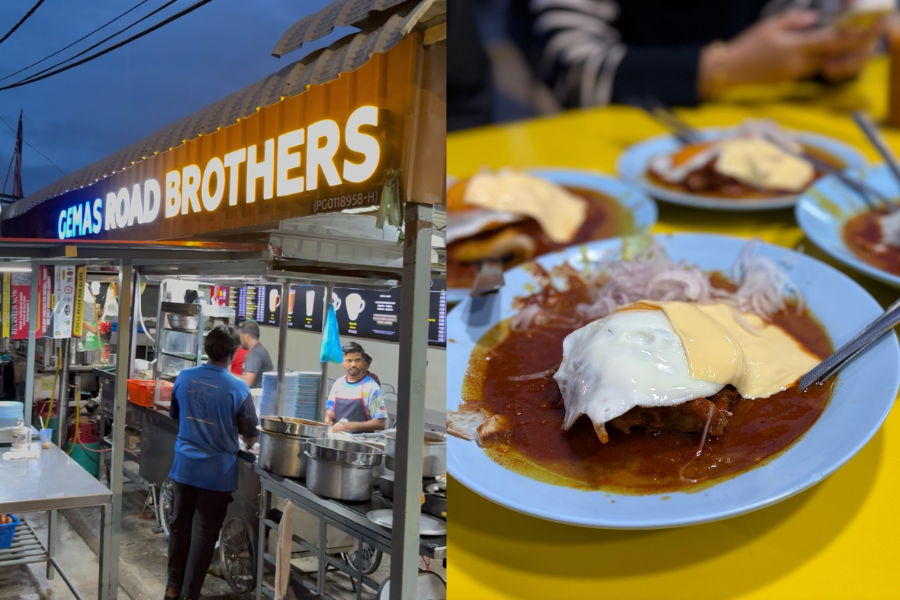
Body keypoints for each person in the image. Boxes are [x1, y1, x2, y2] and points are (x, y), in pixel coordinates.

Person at [510, 1, 885, 108]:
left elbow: (798, 21)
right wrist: (727, 66)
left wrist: (836, 45)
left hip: (748, 127)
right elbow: (575, 70)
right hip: (610, 141)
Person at [165, 325, 259, 600]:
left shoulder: (184, 377)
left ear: (206, 349)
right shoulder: (238, 388)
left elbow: (176, 415)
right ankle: (190, 594)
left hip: (184, 467)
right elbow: (251, 435)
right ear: (233, 353)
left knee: (179, 527)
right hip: (216, 475)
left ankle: (172, 588)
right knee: (204, 536)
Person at [325, 343, 386, 433]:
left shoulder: (372, 387)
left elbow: (380, 423)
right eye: (349, 361)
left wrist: (350, 425)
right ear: (342, 362)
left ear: (363, 361)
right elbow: (331, 410)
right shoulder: (338, 383)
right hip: (337, 440)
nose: (353, 365)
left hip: (361, 443)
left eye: (357, 360)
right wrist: (328, 417)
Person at [238, 321, 273, 389]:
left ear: (246, 336)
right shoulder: (260, 350)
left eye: (241, 337)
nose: (240, 340)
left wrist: (227, 377)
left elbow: (247, 381)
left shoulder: (255, 353)